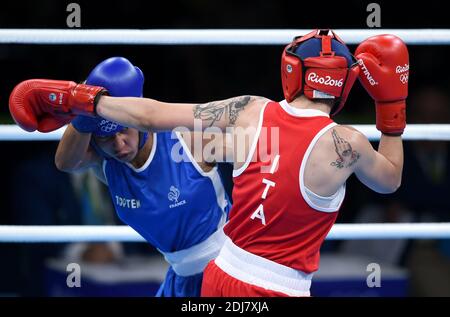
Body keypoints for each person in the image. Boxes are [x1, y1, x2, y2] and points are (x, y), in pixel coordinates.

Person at [9, 29, 408, 296]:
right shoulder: (347, 143)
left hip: (220, 271)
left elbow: (154, 116)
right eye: (107, 134)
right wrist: (391, 109)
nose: (120, 140)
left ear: (291, 71)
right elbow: (389, 181)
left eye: (122, 130)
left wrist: (86, 100)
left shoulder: (227, 126)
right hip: (242, 281)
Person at [16, 56, 231, 297]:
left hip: (228, 269)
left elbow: (261, 146)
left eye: (124, 131)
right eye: (107, 138)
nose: (119, 145)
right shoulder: (106, 162)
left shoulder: (187, 139)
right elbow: (64, 162)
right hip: (180, 276)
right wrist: (82, 104)